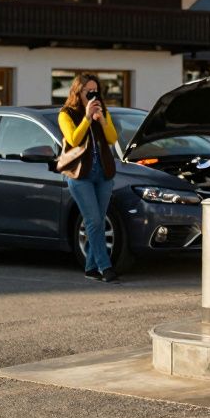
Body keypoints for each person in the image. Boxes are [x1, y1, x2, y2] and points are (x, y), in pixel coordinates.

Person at [58, 74, 120, 282]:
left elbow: (112, 138)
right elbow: (74, 140)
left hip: (103, 173)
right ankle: (106, 267)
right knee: (93, 220)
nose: (94, 95)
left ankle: (91, 267)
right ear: (78, 92)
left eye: (96, 91)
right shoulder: (66, 114)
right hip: (80, 175)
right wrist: (86, 118)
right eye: (89, 91)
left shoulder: (103, 110)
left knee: (99, 221)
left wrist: (101, 120)